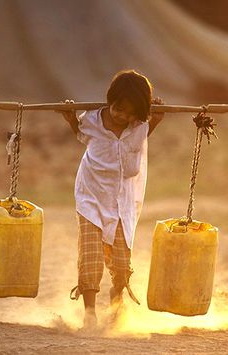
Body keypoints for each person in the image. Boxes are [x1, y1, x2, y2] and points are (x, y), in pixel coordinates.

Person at [57, 69, 165, 329]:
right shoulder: (92, 120)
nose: (123, 117)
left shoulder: (139, 126)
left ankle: (117, 301)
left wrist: (157, 119)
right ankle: (90, 313)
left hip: (122, 202)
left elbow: (140, 140)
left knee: (120, 261)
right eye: (119, 109)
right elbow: (81, 134)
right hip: (91, 196)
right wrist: (70, 117)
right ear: (109, 101)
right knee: (91, 254)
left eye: (130, 113)